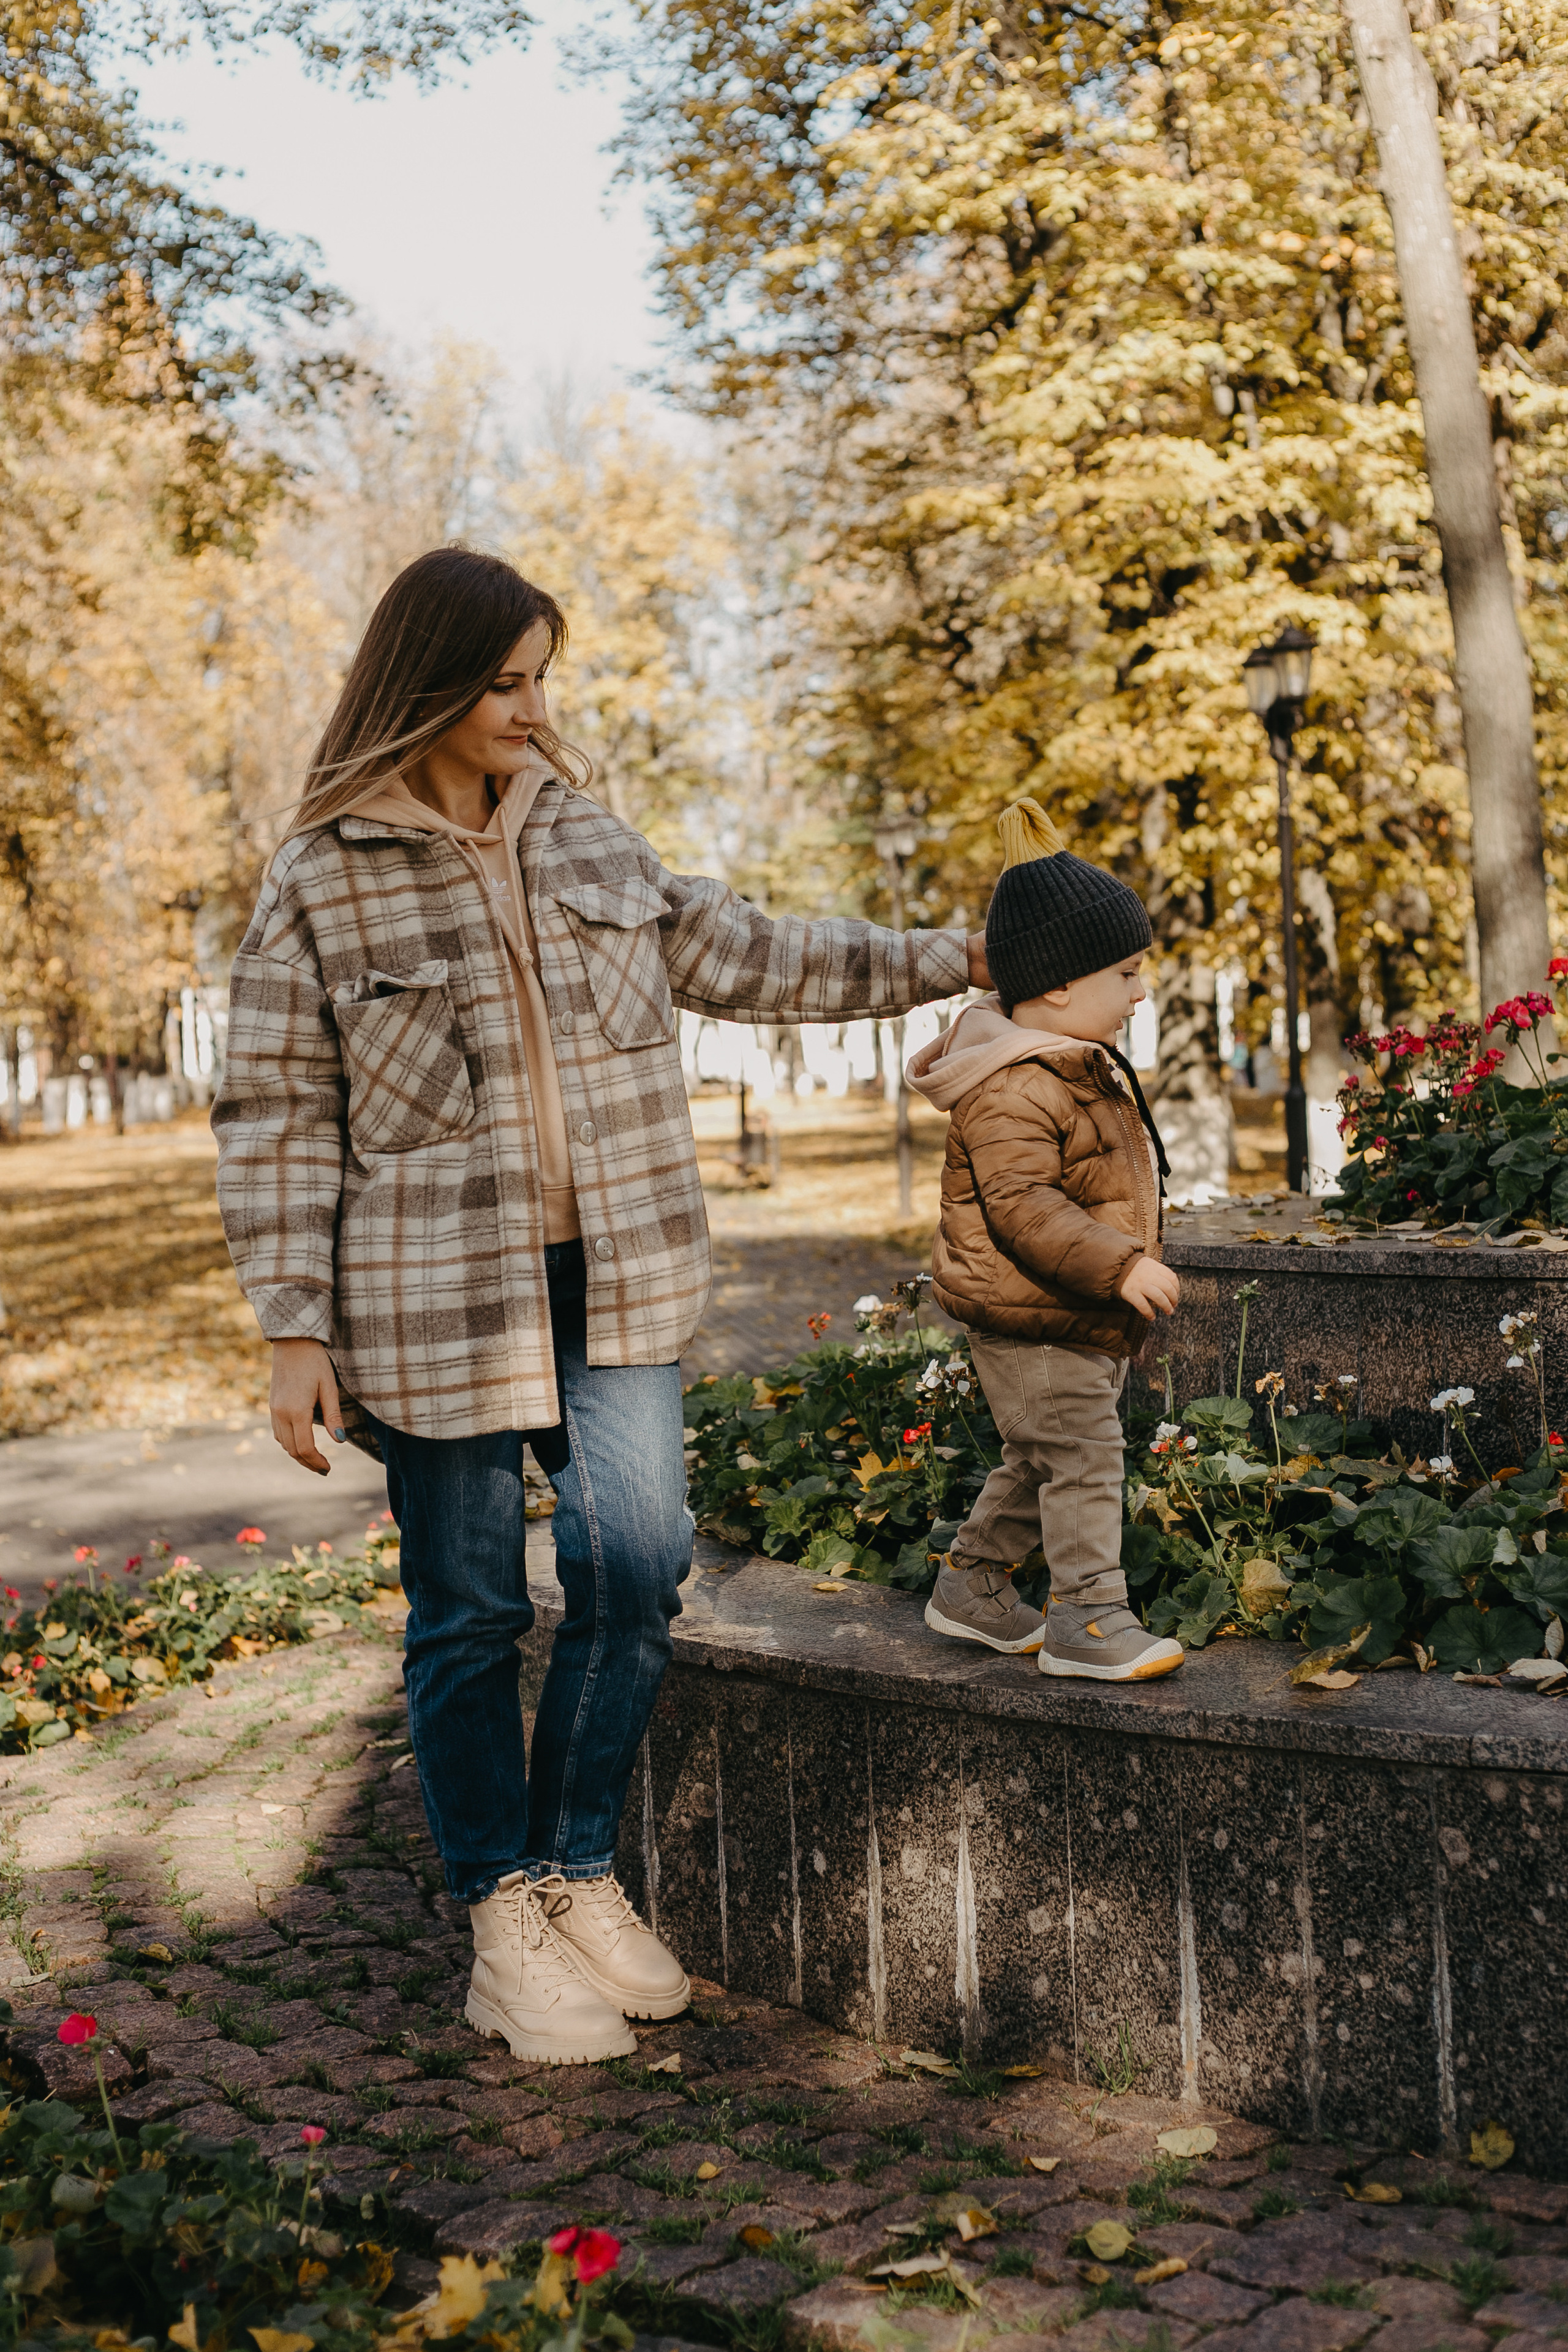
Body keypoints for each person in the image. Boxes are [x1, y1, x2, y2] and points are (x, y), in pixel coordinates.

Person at [213, 545, 990, 2064]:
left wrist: (944, 960)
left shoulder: (585, 837)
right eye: (501, 682)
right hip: (430, 1299)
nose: (529, 707)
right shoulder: (320, 876)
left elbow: (750, 949)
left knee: (635, 1570)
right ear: (424, 685)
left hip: (616, 1279)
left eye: (537, 677)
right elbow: (275, 1110)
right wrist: (291, 1325)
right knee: (470, 1611)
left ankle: (576, 1872)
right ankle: (501, 1914)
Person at [906, 796, 1185, 1681]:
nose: (1142, 994)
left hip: (1063, 1310)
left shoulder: (1064, 1063)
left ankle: (972, 1585)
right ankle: (1089, 1619)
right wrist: (1122, 1264)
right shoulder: (1014, 1086)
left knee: (1044, 1452)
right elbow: (1026, 1209)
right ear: (1060, 984)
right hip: (1030, 1315)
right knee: (1085, 1451)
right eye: (1128, 975)